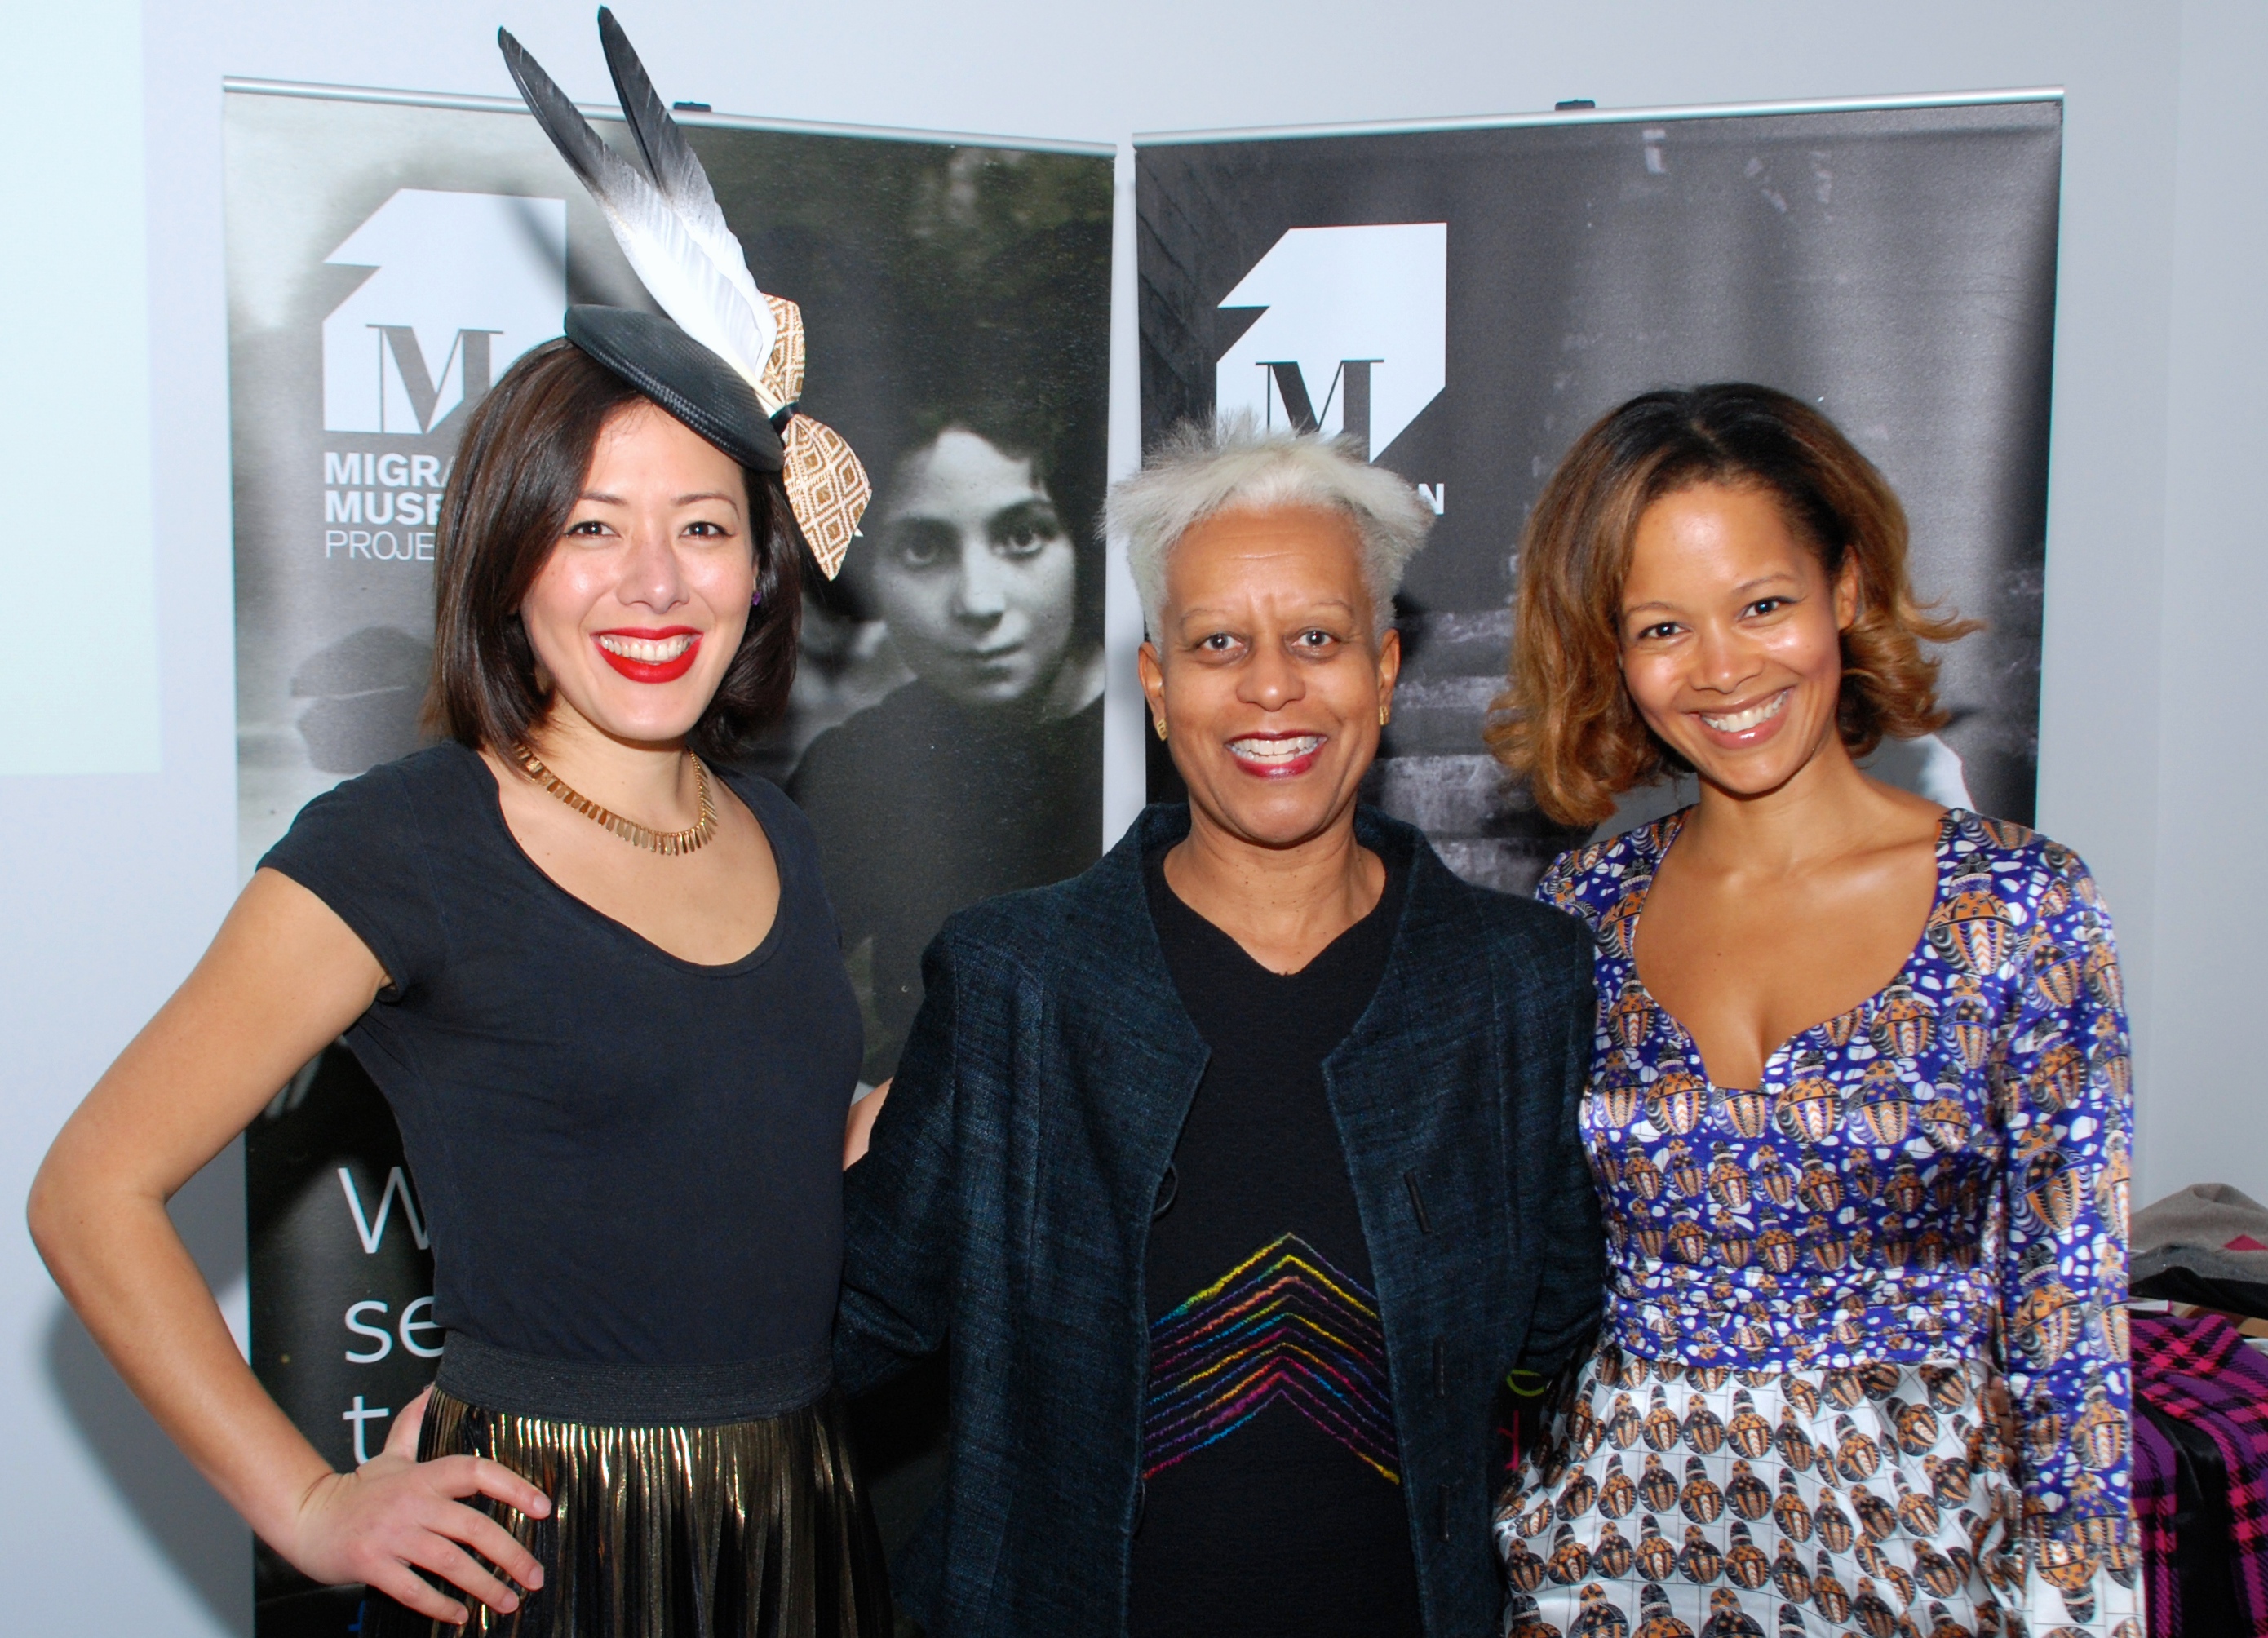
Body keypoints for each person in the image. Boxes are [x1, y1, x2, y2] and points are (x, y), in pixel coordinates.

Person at [29, 16, 892, 1635]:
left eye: (703, 527)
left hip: (792, 1527)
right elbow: (90, 1188)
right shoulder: (403, 842)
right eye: (591, 528)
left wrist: (972, 1090)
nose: (654, 583)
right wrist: (303, 1498)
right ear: (509, 562)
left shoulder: (782, 834)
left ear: (763, 567)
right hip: (543, 1560)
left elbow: (761, 1164)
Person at [834, 418, 1605, 1636]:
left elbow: (1574, 1343)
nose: (1271, 686)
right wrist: (490, 1414)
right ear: (1156, 684)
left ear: (1387, 669)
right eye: (1217, 644)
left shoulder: (1523, 989)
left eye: (1317, 637)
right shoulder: (1016, 987)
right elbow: (843, 1326)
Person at [1487, 383, 2137, 1638]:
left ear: (1845, 588)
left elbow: (2072, 1334)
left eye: (1765, 604)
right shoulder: (1583, 910)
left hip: (1921, 1575)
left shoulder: (2019, 909)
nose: (1723, 668)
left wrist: (2086, 1613)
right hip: (1614, 1577)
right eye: (1662, 626)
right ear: (1611, 651)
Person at [790, 416, 1105, 1086]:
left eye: (1021, 536)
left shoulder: (1177, 747)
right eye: (924, 549)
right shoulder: (854, 771)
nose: (978, 602)